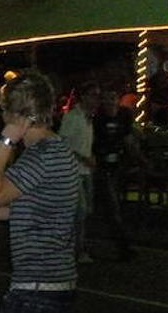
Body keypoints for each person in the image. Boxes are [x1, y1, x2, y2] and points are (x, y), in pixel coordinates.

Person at [0, 71, 79, 313]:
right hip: (53, 284)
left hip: (37, 289)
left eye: (5, 110)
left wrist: (6, 141)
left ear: (15, 115)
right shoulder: (58, 149)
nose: (2, 115)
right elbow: (42, 208)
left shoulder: (41, 156)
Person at [93, 88, 138, 261]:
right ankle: (123, 246)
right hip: (103, 166)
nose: (109, 102)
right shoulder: (98, 119)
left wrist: (138, 159)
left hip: (119, 165)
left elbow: (128, 138)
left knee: (117, 205)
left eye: (112, 98)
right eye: (106, 99)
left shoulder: (123, 116)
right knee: (112, 207)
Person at [59, 81, 100, 264]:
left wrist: (89, 156)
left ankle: (76, 246)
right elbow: (64, 143)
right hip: (73, 170)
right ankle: (77, 249)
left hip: (85, 170)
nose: (96, 100)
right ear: (83, 97)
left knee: (85, 211)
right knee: (80, 210)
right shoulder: (72, 118)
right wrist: (83, 157)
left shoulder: (88, 118)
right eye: (93, 95)